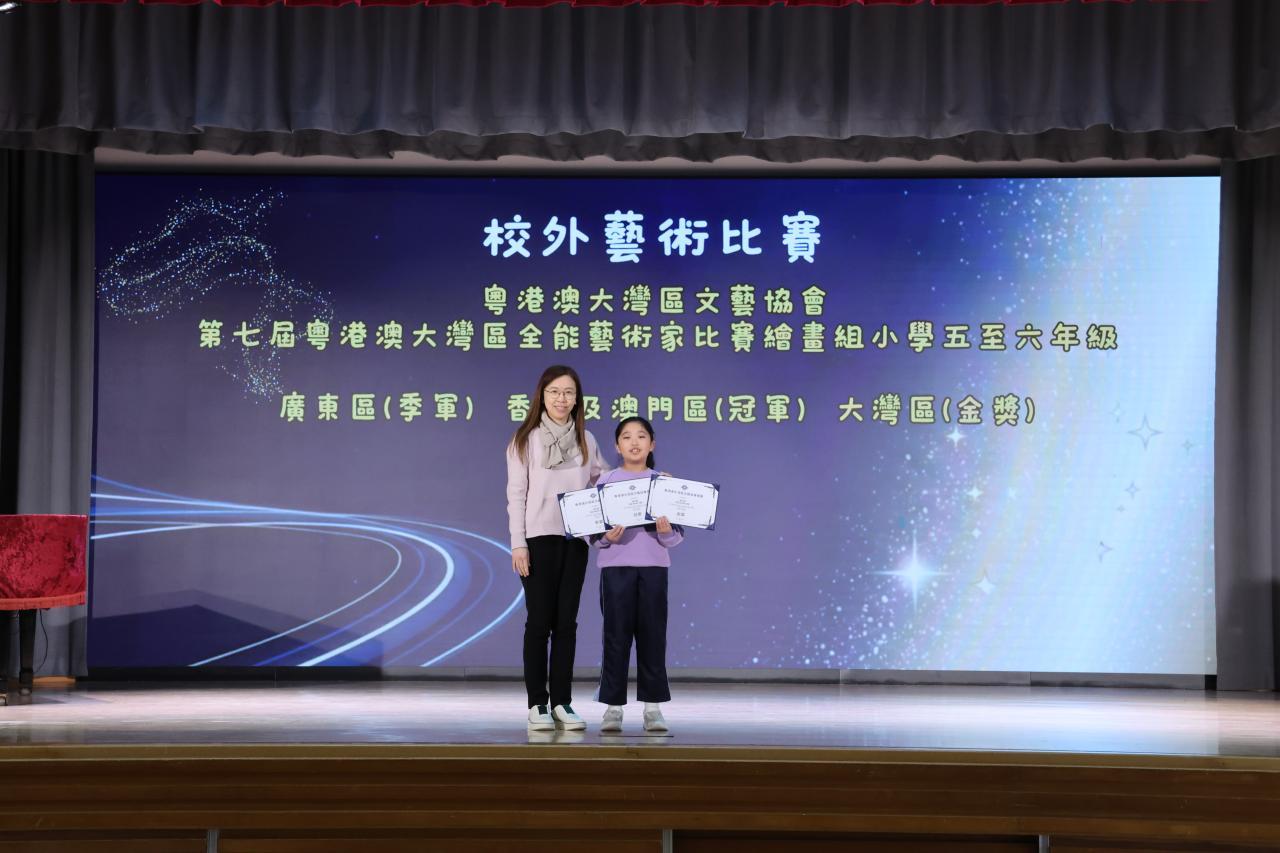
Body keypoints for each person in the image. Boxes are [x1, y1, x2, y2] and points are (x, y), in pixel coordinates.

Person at [506, 365, 608, 732]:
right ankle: (538, 703)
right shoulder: (525, 440)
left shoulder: (586, 439)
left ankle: (562, 701)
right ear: (542, 396)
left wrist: (647, 480)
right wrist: (518, 544)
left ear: (577, 399)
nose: (561, 399)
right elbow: (516, 495)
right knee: (539, 622)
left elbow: (604, 481)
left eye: (568, 392)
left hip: (574, 541)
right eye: (554, 392)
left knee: (566, 623)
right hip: (537, 541)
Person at [591, 416, 682, 734]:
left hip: (654, 569)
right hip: (615, 570)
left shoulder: (664, 482)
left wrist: (665, 531)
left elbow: (676, 537)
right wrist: (607, 538)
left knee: (653, 637)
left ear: (652, 444)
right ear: (617, 446)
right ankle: (612, 708)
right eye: (626, 436)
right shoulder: (604, 482)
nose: (634, 442)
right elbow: (593, 535)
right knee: (615, 638)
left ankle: (653, 708)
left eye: (641, 436)